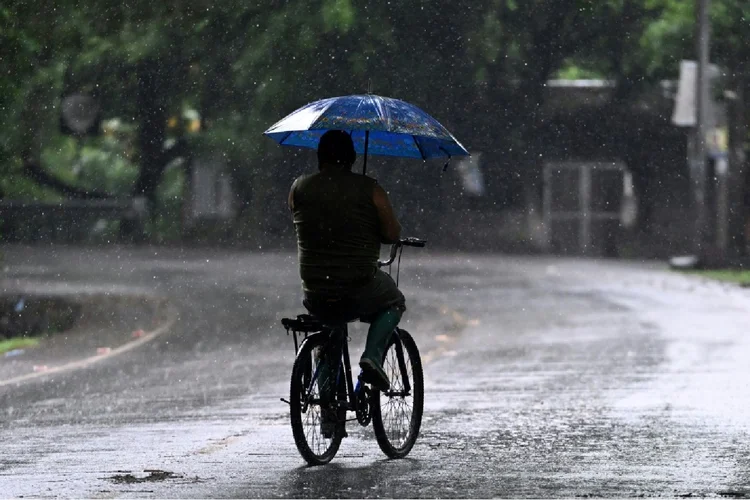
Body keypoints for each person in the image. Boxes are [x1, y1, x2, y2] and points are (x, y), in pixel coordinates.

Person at [288, 130, 405, 398]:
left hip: (315, 290)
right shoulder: (371, 190)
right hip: (358, 286)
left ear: (319, 157)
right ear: (352, 158)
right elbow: (391, 234)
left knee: (331, 324)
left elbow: (302, 220)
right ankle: (372, 358)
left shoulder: (298, 188)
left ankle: (329, 408)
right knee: (394, 301)